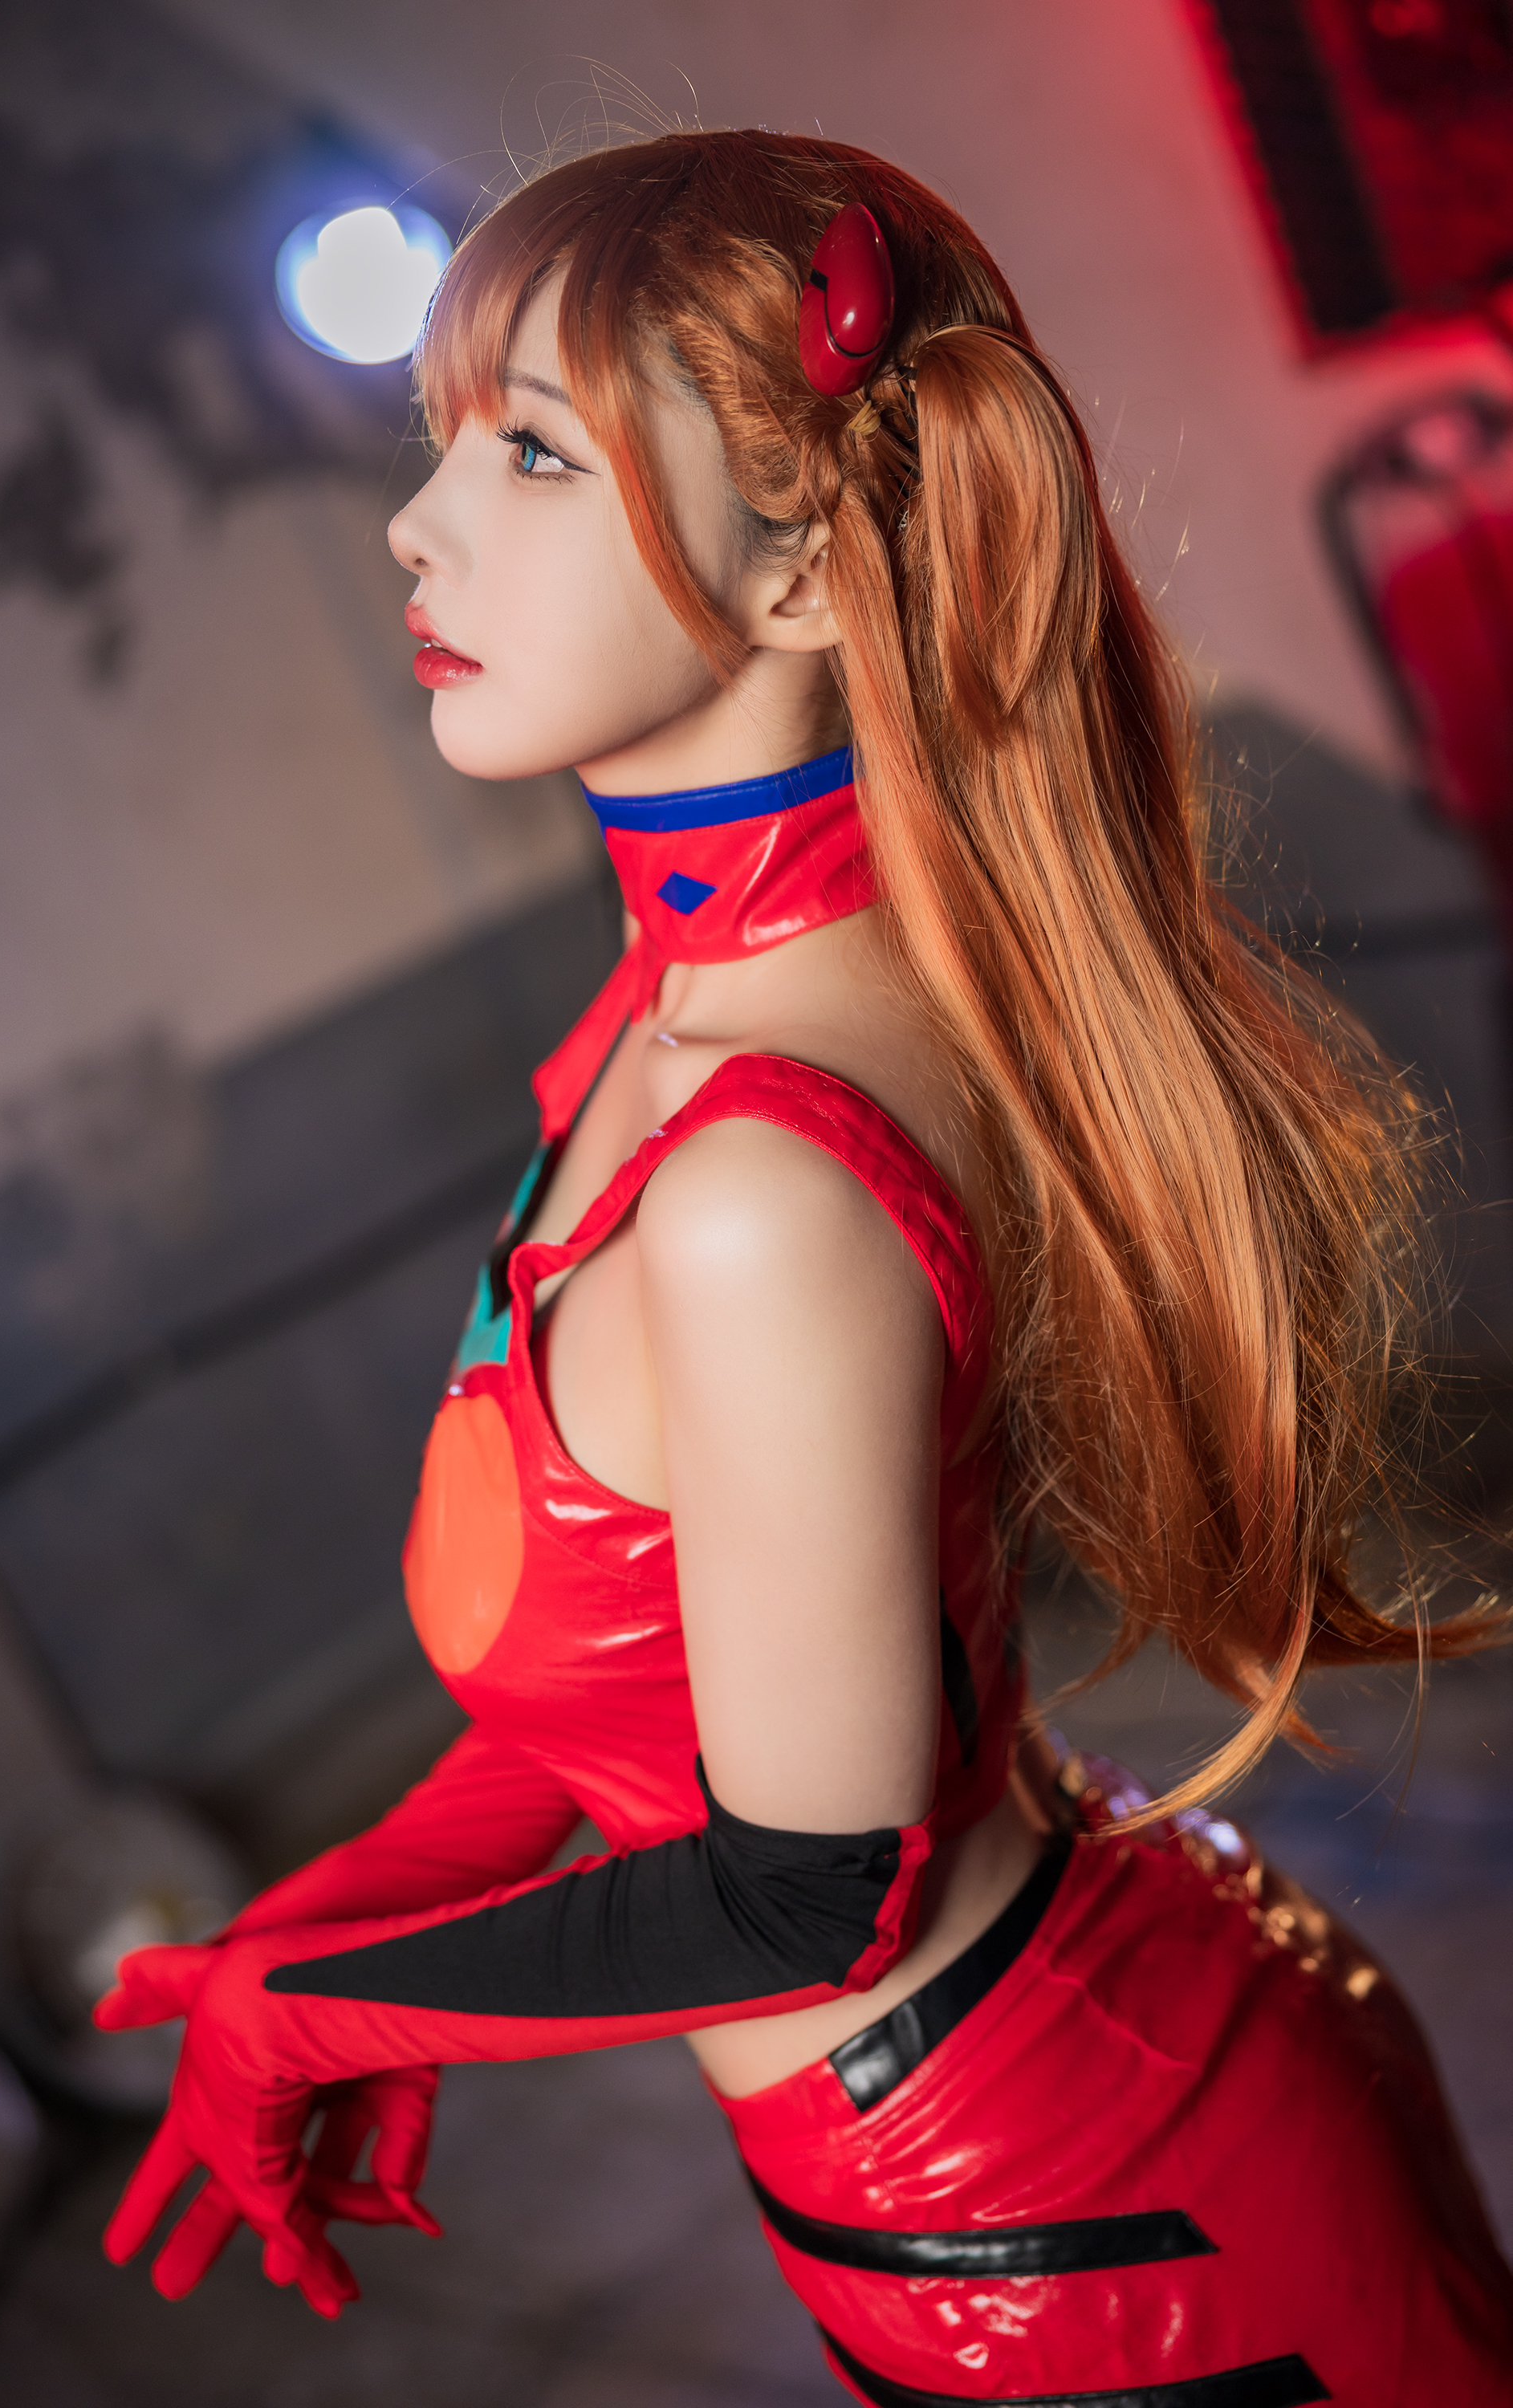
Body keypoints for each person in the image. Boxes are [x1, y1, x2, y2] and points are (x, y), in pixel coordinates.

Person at [94, 132, 1513, 2403]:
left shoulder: (762, 1177)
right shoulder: (654, 1030)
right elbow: (621, 1708)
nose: (414, 526)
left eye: (530, 452)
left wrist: (327, 2012)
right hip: (1013, 2139)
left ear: (803, 578)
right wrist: (315, 1940)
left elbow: (807, 1885)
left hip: (1091, 2228)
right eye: (438, 442)